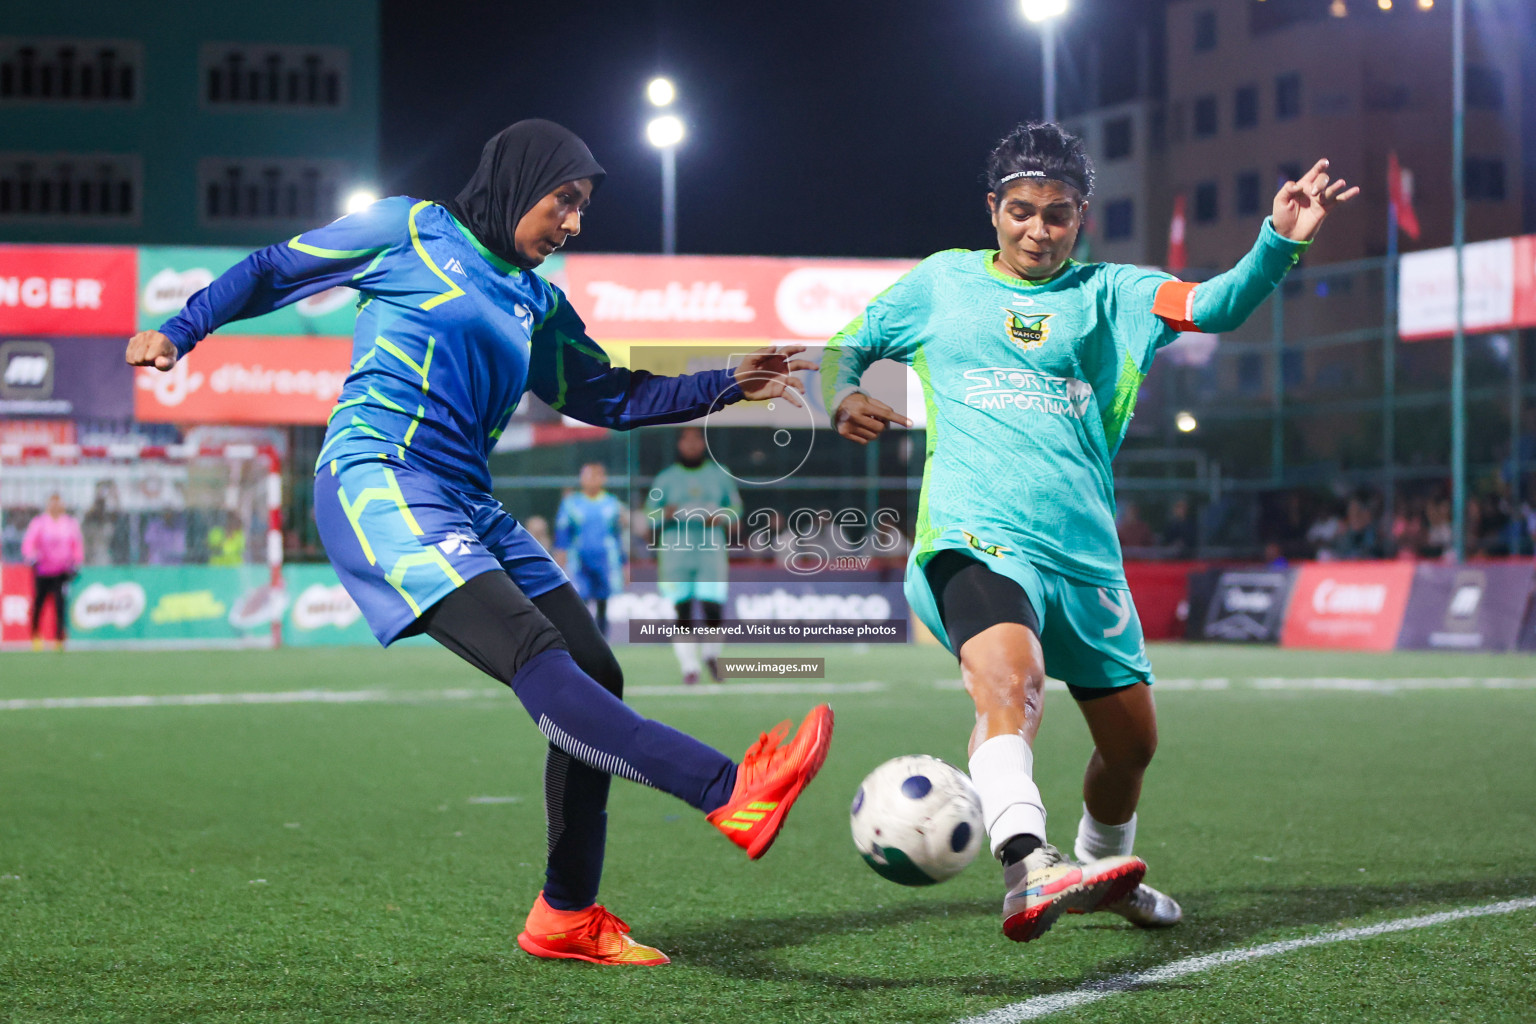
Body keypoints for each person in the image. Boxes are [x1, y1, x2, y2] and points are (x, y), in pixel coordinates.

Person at [126, 119, 832, 967]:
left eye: (584, 207)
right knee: (532, 650)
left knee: (594, 666)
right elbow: (273, 268)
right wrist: (181, 328)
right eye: (563, 199)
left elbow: (607, 394)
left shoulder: (535, 298)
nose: (573, 224)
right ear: (516, 181)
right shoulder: (409, 230)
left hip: (466, 500)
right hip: (378, 474)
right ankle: (726, 789)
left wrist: (727, 382)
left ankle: (565, 915)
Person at [823, 122, 1357, 943]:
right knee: (1013, 683)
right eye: (1023, 211)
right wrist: (844, 391)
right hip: (977, 536)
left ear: (1081, 217)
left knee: (1133, 745)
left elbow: (1212, 304)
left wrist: (1277, 241)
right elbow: (847, 346)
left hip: (1084, 555)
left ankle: (1102, 871)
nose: (1039, 230)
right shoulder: (941, 284)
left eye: (1059, 215)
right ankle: (1027, 861)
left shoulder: (1116, 292)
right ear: (994, 209)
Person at [647, 427, 742, 684]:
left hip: (710, 553)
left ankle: (711, 655)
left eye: (696, 440)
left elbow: (736, 508)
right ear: (679, 445)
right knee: (683, 611)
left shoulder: (719, 474)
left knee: (713, 609)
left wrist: (721, 516)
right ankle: (689, 667)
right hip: (675, 555)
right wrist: (665, 513)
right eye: (686, 440)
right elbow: (649, 515)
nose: (691, 445)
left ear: (703, 444)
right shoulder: (665, 479)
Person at [553, 463, 626, 639]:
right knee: (580, 601)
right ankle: (583, 641)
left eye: (596, 476)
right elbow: (562, 533)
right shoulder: (571, 503)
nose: (591, 480)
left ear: (603, 478)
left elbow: (617, 535)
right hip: (579, 560)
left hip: (605, 561)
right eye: (587, 475)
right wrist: (560, 555)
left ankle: (602, 641)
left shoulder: (612, 503)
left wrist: (624, 563)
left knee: (603, 602)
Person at [21, 493, 84, 650]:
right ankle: (35, 635)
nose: (56, 506)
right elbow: (29, 542)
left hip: (61, 571)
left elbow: (76, 544)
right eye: (53, 503)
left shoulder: (69, 523)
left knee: (60, 604)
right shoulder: (40, 522)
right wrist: (31, 557)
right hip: (42, 571)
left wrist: (76, 562)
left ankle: (59, 637)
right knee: (39, 603)